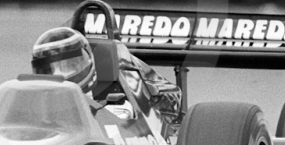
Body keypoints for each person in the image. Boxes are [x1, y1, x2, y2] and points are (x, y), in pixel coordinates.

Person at [31, 27, 182, 131]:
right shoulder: (35, 112)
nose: (59, 75)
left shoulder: (117, 110)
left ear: (87, 61)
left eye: (68, 66)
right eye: (48, 70)